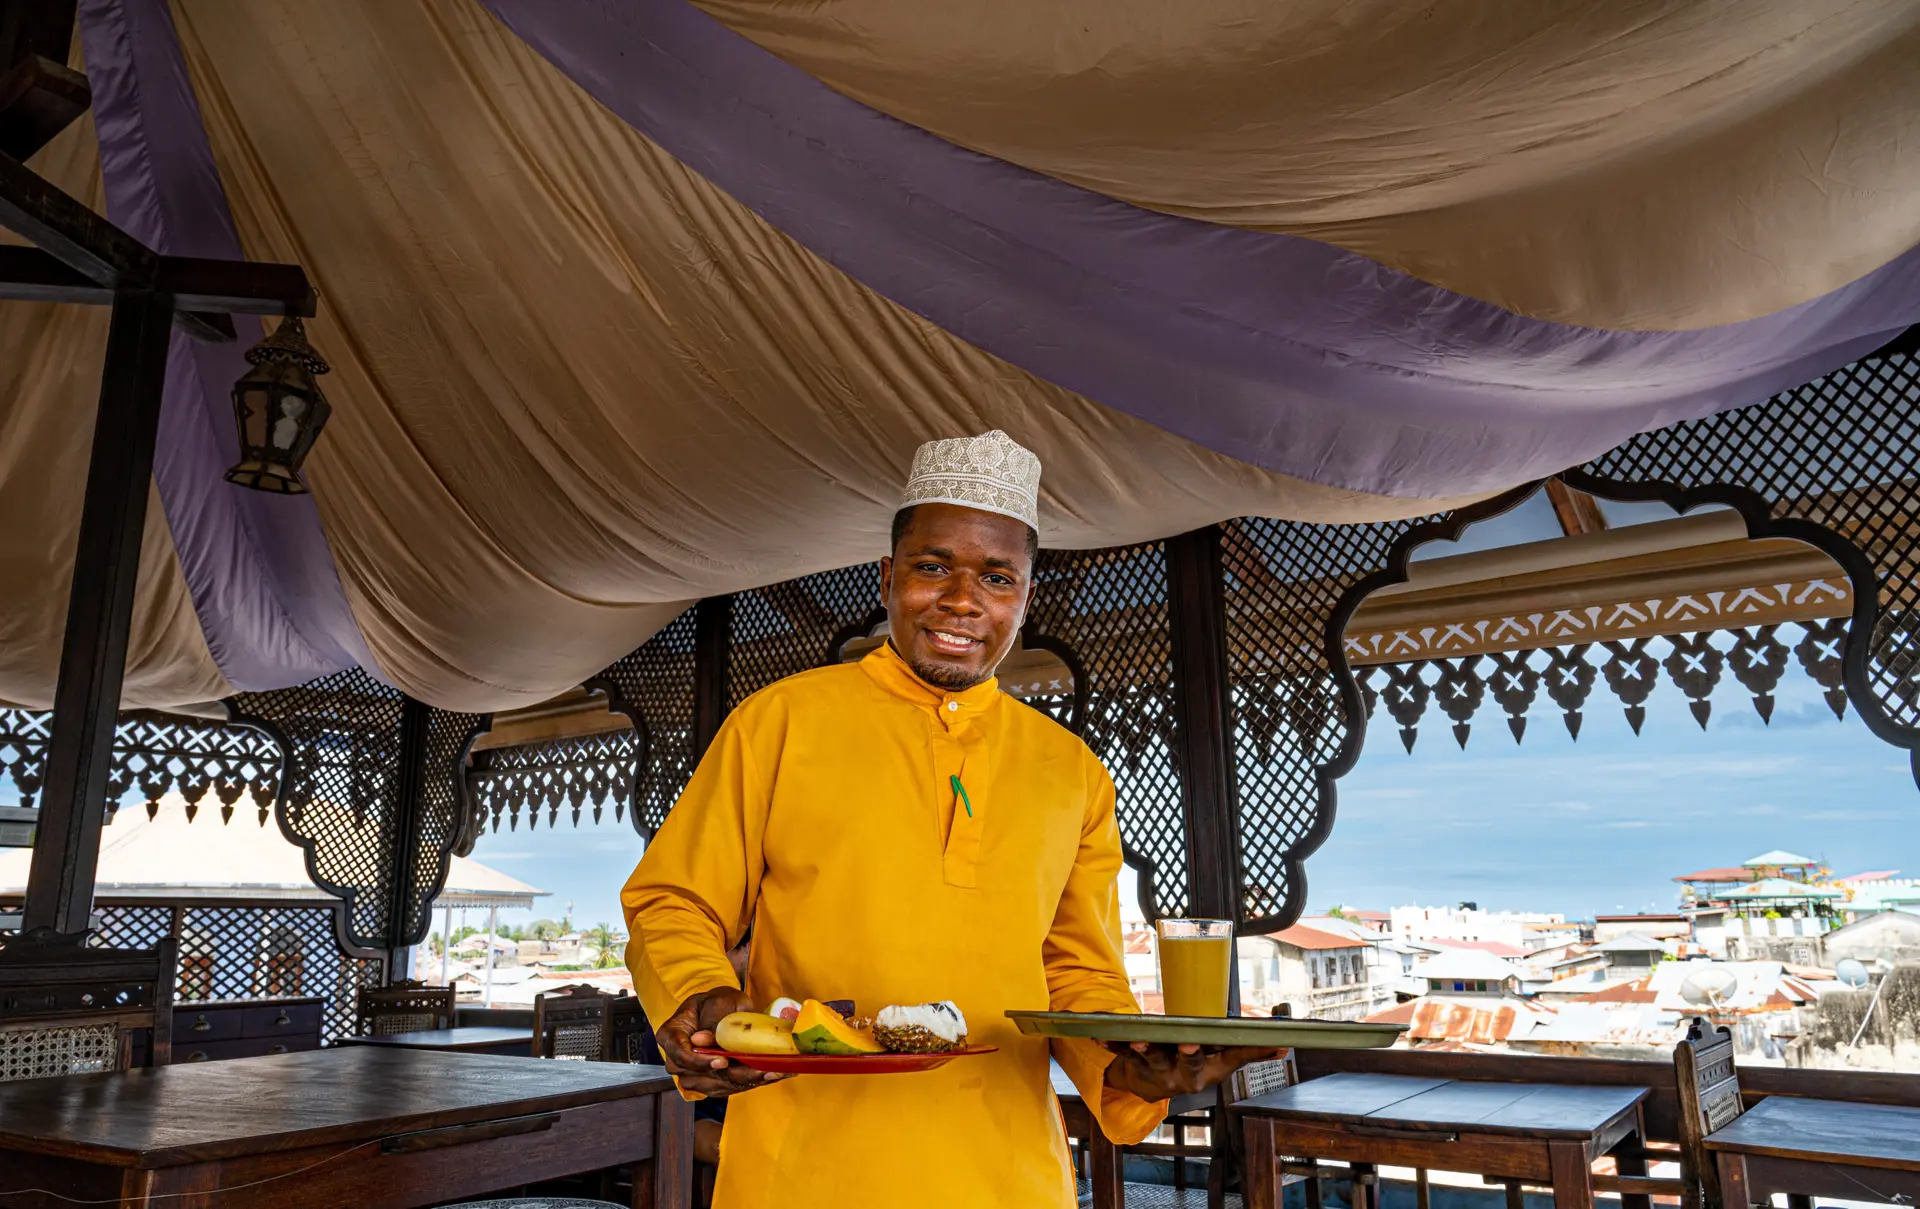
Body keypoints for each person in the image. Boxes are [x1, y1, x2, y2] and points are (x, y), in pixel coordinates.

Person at [623, 431, 1276, 1208]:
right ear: (889, 577)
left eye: (996, 577)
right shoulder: (781, 721)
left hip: (1009, 1175)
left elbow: (1077, 972)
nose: (963, 601)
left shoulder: (1071, 770)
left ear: (1025, 597)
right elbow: (675, 899)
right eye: (934, 567)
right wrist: (700, 1000)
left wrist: (1130, 1067)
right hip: (800, 1171)